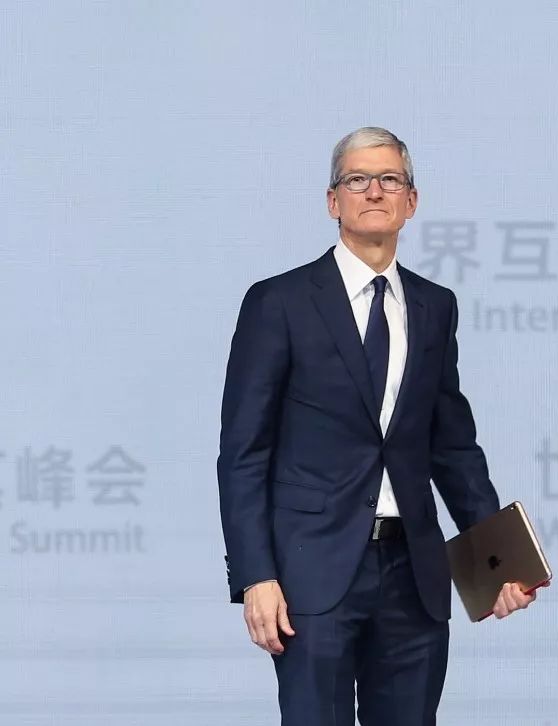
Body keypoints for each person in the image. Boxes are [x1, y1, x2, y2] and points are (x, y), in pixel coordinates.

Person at [217, 126, 534, 726]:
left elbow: (453, 447)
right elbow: (243, 453)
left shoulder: (434, 306)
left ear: (411, 201)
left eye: (390, 179)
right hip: (312, 574)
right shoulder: (278, 302)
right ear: (332, 200)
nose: (374, 191)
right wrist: (256, 576)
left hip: (414, 575)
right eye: (357, 179)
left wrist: (498, 561)